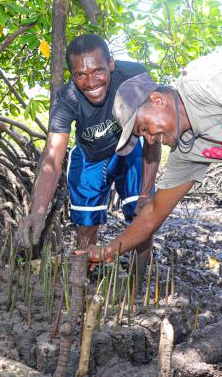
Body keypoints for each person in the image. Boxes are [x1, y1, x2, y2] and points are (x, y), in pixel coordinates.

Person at [87, 52, 222, 338]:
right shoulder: (187, 148)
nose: (148, 139)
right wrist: (107, 251)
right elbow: (155, 212)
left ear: (157, 100)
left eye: (143, 127)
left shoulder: (207, 82)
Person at [18, 34, 161, 278]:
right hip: (90, 156)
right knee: (85, 228)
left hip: (129, 150)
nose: (90, 82)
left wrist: (146, 194)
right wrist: (38, 211)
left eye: (98, 71)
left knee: (142, 217)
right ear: (72, 75)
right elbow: (52, 159)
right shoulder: (67, 99)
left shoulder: (133, 79)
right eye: (80, 75)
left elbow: (153, 138)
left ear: (111, 64)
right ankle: (84, 283)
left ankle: (138, 284)